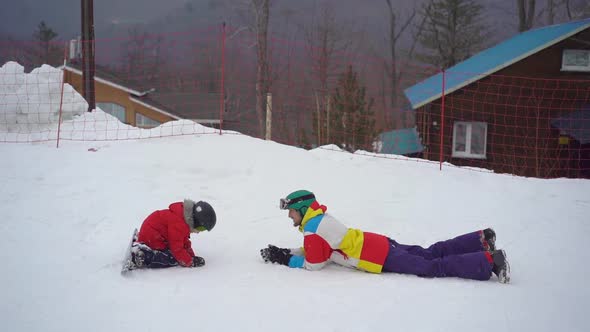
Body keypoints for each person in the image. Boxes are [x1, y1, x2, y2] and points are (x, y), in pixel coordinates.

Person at [260, 190, 510, 283]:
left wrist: (285, 259)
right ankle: (480, 240)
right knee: (429, 252)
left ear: (302, 209)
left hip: (377, 255)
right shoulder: (318, 219)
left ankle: (490, 261)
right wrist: (289, 252)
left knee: (432, 266)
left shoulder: (312, 232)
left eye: (291, 211)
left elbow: (315, 263)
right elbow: (322, 251)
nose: (289, 216)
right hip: (376, 241)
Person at [128, 199, 217, 270]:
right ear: (196, 221)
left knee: (177, 253)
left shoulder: (183, 219)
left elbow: (183, 241)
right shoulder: (179, 224)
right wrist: (190, 262)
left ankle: (141, 245)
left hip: (155, 234)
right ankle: (143, 256)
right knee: (171, 258)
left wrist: (191, 256)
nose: (199, 232)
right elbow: (177, 248)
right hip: (152, 237)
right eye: (201, 228)